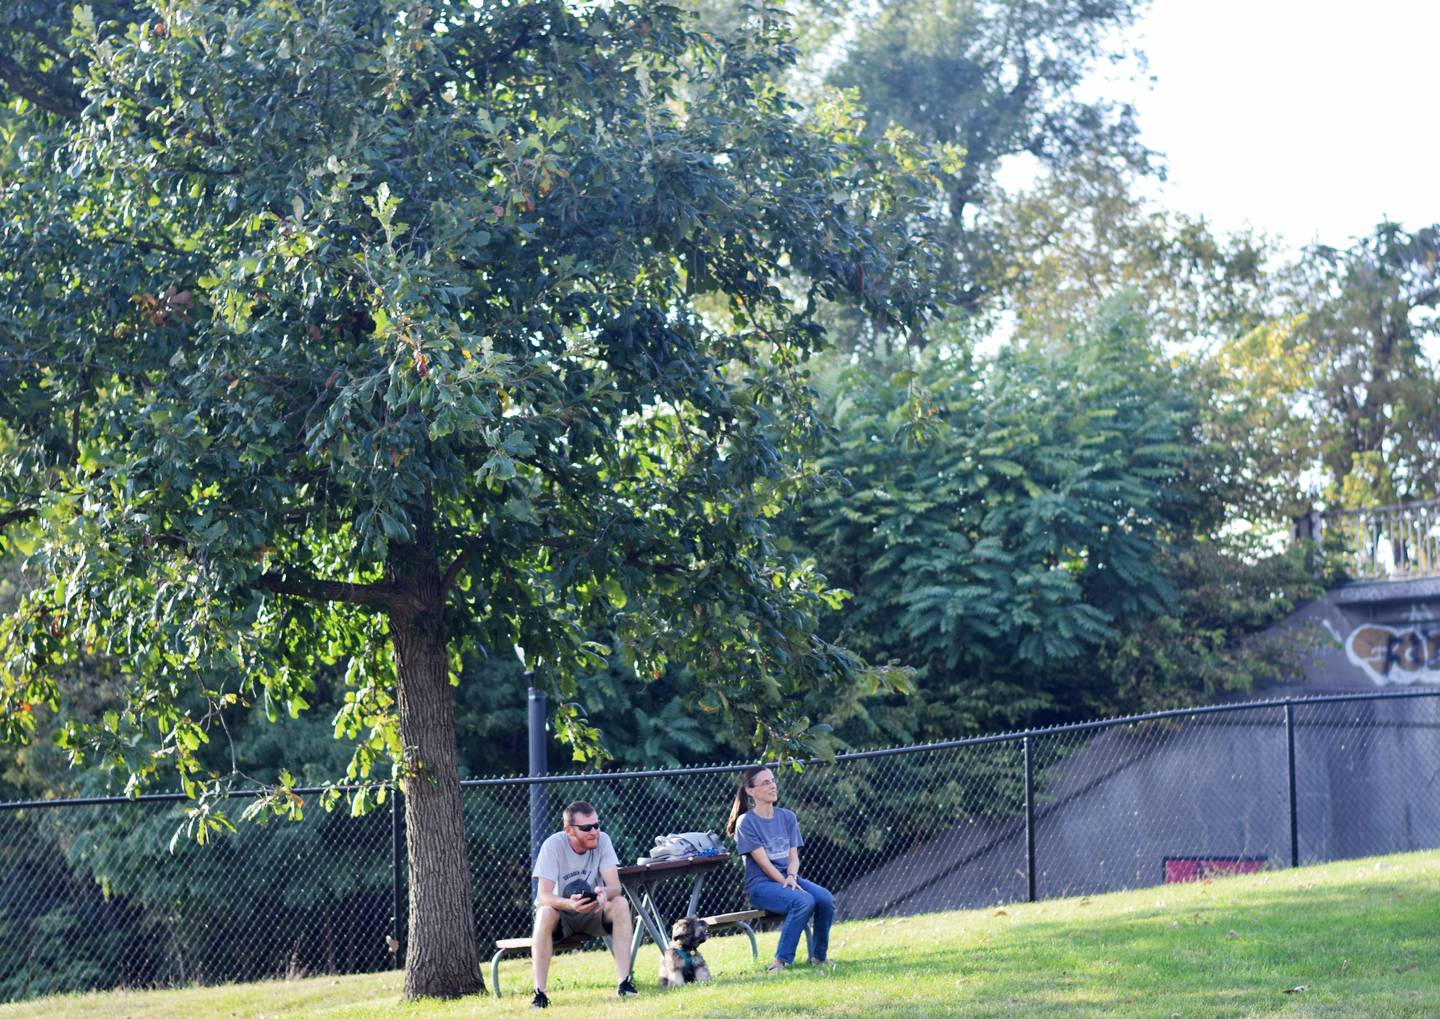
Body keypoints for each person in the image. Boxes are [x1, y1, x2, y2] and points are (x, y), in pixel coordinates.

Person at [725, 765, 835, 972]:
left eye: (773, 780)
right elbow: (764, 864)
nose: (772, 786)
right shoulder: (746, 822)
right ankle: (779, 963)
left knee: (825, 899)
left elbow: (793, 856)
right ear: (751, 791)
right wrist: (785, 881)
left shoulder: (787, 817)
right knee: (804, 901)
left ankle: (819, 958)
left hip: (788, 878)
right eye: (765, 782)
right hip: (761, 886)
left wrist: (792, 877)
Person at [530, 800, 637, 1008]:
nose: (594, 832)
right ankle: (539, 994)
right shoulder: (553, 846)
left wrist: (602, 892)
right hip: (561, 916)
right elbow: (544, 896)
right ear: (569, 830)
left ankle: (625, 983)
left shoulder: (603, 841)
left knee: (621, 903)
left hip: (593, 912)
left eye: (597, 825)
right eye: (587, 828)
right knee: (544, 913)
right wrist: (570, 904)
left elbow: (615, 887)